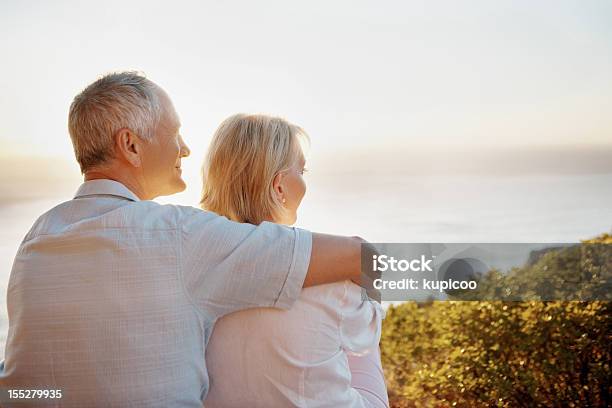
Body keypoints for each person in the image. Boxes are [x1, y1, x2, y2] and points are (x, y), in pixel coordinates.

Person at [0, 72, 371, 408]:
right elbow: (356, 254)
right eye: (174, 132)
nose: (185, 148)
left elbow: (25, 382)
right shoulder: (179, 235)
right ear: (130, 145)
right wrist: (419, 274)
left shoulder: (36, 240)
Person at [202, 114, 389, 407]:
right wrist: (371, 292)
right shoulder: (333, 281)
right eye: (301, 171)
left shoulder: (193, 268)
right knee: (363, 349)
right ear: (279, 187)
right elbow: (366, 335)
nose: (304, 183)